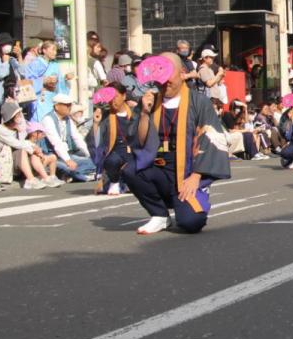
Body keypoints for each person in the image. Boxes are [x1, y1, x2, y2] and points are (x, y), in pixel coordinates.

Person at [124, 52, 232, 235]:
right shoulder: (149, 101)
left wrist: (196, 176)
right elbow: (139, 141)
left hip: (187, 171)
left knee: (191, 223)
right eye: (160, 78)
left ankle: (188, 203)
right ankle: (159, 215)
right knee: (130, 169)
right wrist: (144, 113)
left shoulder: (198, 102)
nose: (164, 83)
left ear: (182, 73)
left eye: (168, 77)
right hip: (158, 167)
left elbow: (211, 139)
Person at [0, 99, 58, 189]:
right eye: (17, 115)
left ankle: (45, 177)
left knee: (33, 153)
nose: (20, 117)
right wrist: (33, 147)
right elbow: (16, 144)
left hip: (18, 162)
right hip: (6, 163)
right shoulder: (1, 129)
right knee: (22, 150)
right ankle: (30, 179)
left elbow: (24, 141)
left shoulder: (18, 128)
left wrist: (34, 148)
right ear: (11, 117)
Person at [41, 93, 96, 182]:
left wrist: (90, 154)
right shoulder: (48, 120)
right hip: (53, 156)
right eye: (66, 105)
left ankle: (75, 175)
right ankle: (78, 175)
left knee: (93, 162)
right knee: (65, 167)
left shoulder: (68, 119)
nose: (69, 107)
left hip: (68, 154)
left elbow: (77, 138)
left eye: (70, 105)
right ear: (57, 106)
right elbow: (56, 142)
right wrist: (68, 160)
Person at [89, 83, 132, 195]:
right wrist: (96, 124)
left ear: (124, 96)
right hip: (115, 152)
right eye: (110, 98)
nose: (113, 101)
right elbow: (96, 142)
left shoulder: (135, 113)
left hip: (133, 152)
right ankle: (114, 182)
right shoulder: (106, 116)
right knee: (111, 161)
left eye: (116, 96)